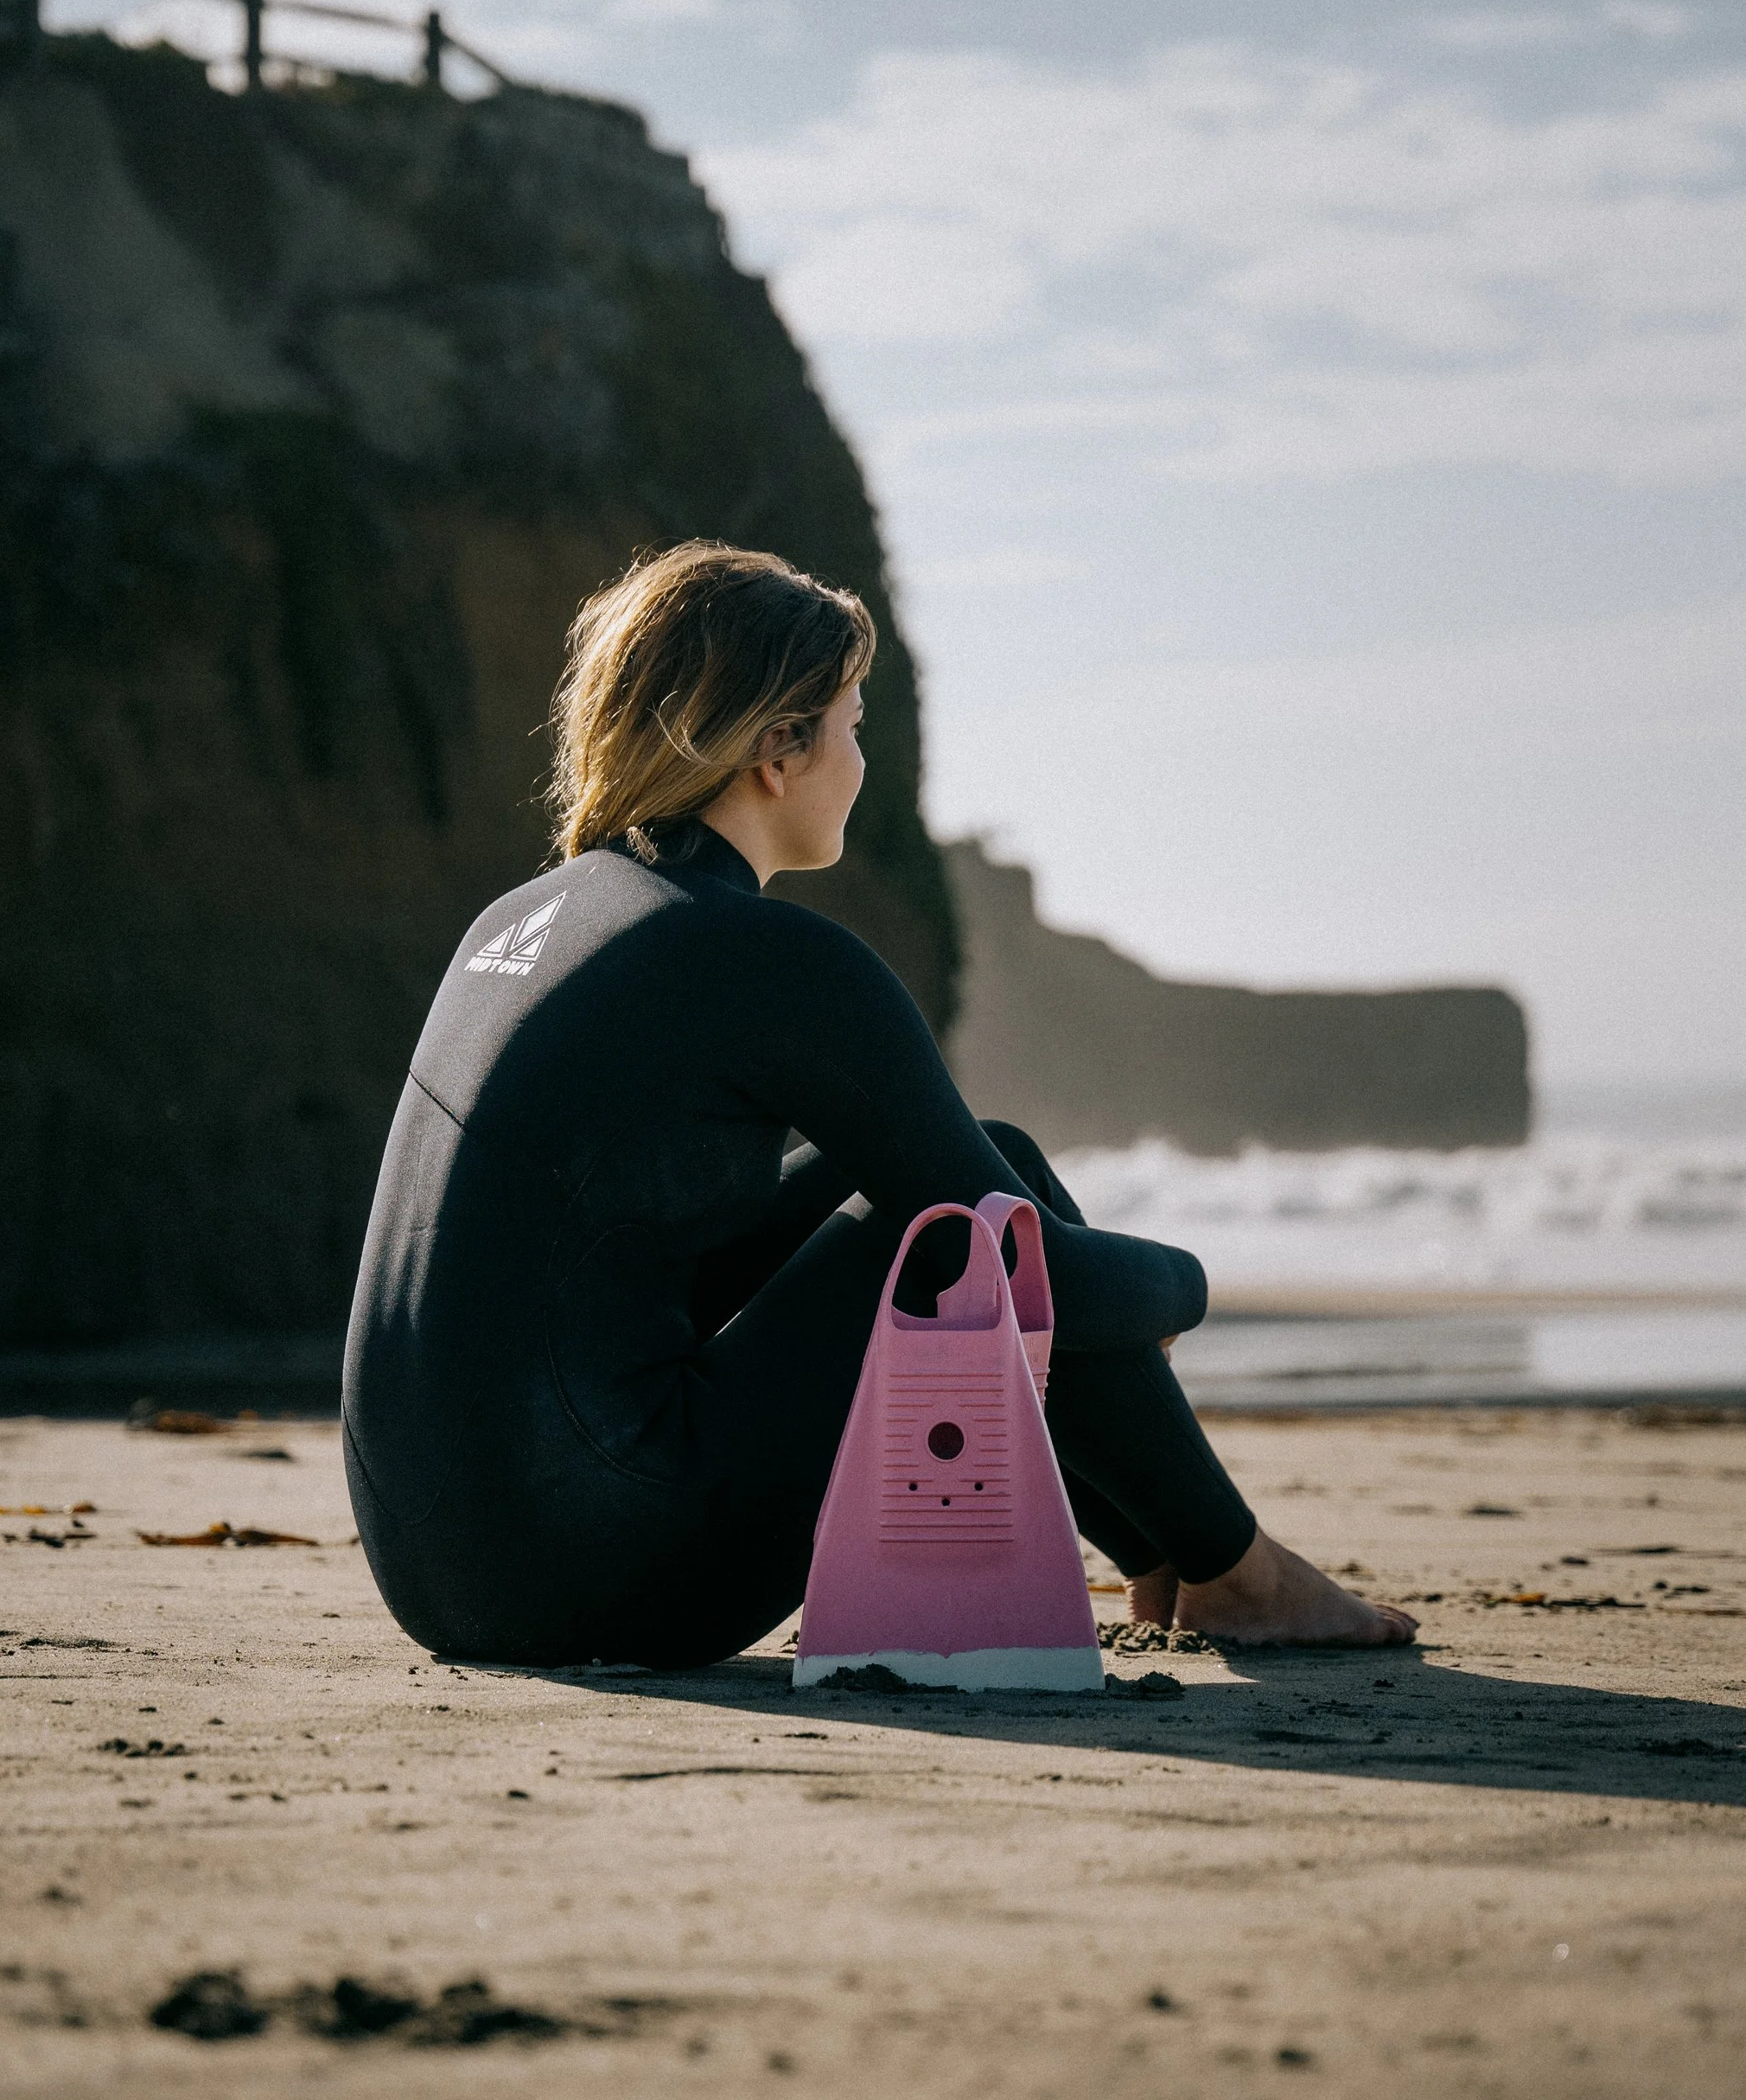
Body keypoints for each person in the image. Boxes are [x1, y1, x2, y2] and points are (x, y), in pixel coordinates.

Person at [344, 543, 1415, 1668]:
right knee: (988, 1240)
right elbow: (1021, 1264)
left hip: (436, 1568)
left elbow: (640, 1263)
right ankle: (1237, 1571)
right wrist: (1188, 1286)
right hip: (599, 1563)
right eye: (854, 725)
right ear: (777, 748)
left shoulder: (519, 925)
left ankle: (1167, 1552)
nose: (861, 758)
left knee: (989, 1181)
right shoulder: (760, 958)